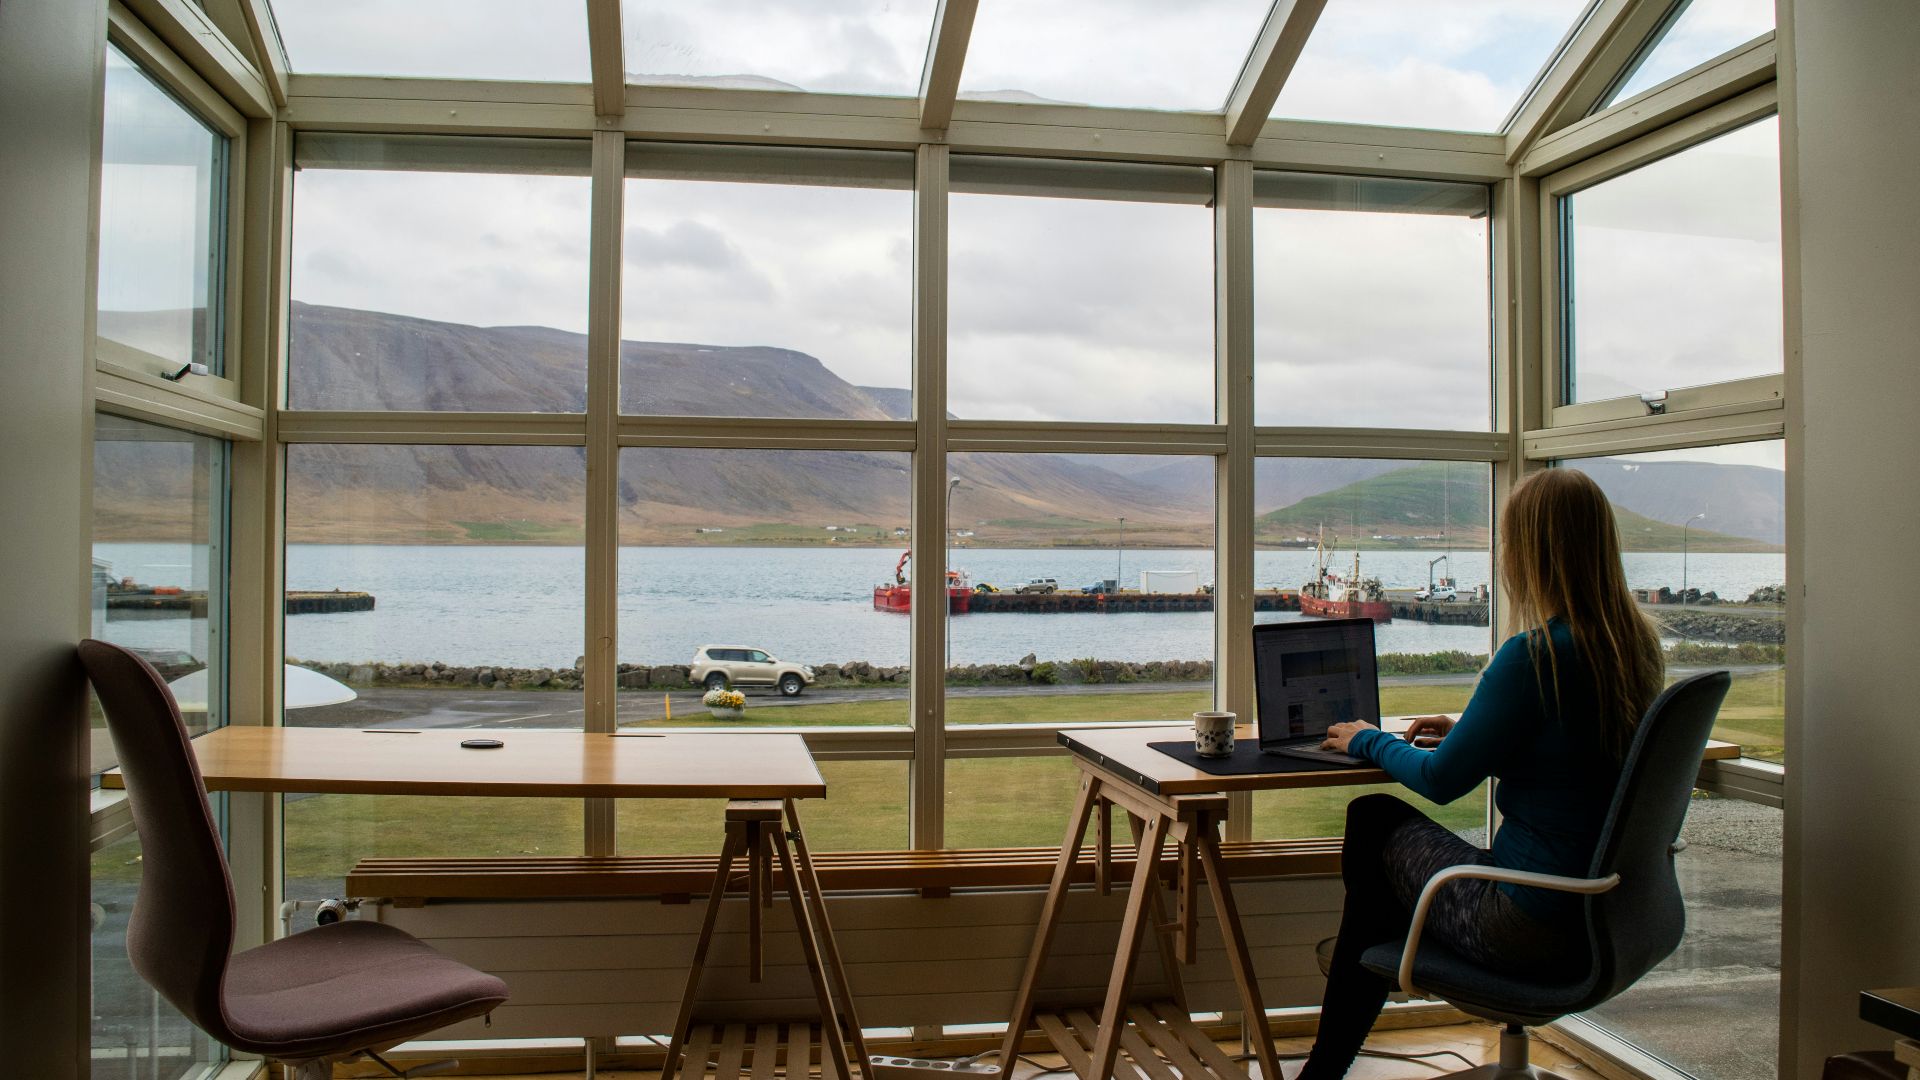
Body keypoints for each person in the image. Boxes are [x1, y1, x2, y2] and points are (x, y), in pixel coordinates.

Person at [1293, 468, 1666, 1079]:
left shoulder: (1533, 656)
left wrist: (1369, 740)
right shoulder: (1632, 650)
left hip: (1525, 925)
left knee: (1373, 818)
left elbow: (1441, 782)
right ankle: (1364, 974)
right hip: (1612, 917)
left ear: (1528, 554)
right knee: (1380, 892)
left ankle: (1335, 1044)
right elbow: (1569, 748)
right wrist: (1472, 728)